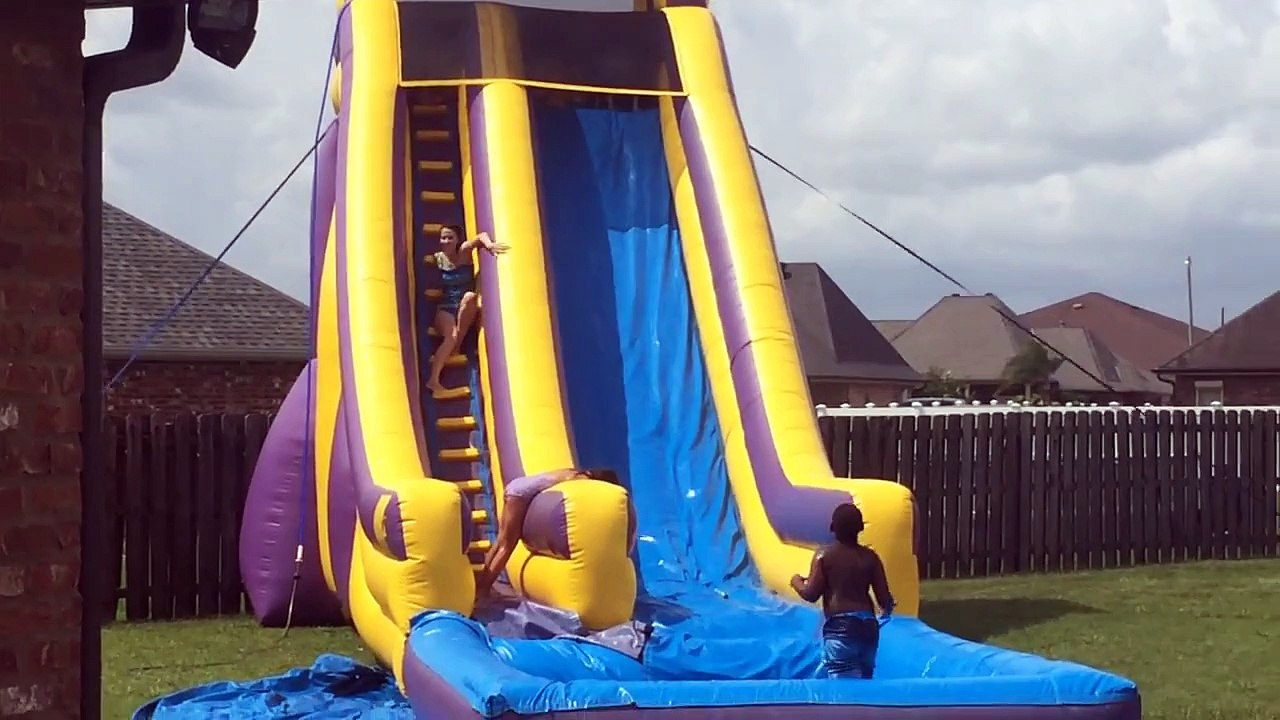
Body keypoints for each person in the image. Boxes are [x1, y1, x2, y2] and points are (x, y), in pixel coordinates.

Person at [476, 467, 621, 597]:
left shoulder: (574, 471)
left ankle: (482, 583)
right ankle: (485, 588)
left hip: (517, 487)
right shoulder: (581, 480)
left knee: (502, 541)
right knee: (507, 546)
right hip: (520, 494)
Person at [790, 502, 895, 679]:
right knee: (865, 683)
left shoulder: (824, 556)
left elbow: (811, 593)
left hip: (841, 628)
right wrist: (888, 608)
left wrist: (796, 581)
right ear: (861, 528)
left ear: (832, 527)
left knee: (844, 690)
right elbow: (884, 599)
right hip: (868, 628)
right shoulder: (871, 558)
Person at [426, 225, 508, 396]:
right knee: (451, 335)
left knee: (470, 297)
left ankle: (456, 347)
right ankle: (433, 380)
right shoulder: (438, 258)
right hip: (446, 306)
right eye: (443, 237)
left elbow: (481, 236)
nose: (446, 241)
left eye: (450, 237)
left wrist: (490, 245)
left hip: (465, 305)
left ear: (457, 239)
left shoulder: (463, 251)